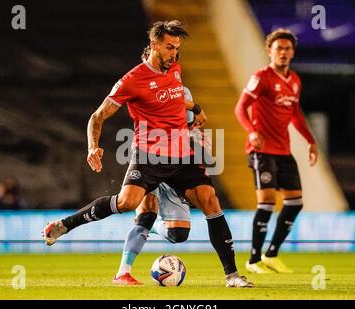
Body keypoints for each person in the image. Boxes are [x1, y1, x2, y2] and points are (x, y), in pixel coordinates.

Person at [43, 20, 253, 288]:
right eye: (169, 47)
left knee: (210, 201)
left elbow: (175, 94)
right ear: (153, 45)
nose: (174, 53)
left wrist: (196, 107)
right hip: (149, 155)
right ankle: (64, 225)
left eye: (176, 48)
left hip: (182, 156)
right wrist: (92, 146)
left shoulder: (174, 67)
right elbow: (97, 116)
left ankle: (232, 276)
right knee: (128, 203)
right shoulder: (132, 80)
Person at [235, 29, 318, 274]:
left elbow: (295, 114)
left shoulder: (294, 80)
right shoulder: (261, 77)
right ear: (269, 51)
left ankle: (271, 254)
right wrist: (251, 131)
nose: (283, 52)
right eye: (278, 48)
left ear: (292, 52)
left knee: (295, 202)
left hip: (284, 150)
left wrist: (311, 141)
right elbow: (241, 108)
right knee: (267, 202)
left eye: (287, 48)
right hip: (261, 151)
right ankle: (252, 260)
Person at [113, 87, 196, 285]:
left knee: (179, 235)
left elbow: (191, 125)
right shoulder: (145, 88)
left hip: (175, 161)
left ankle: (156, 226)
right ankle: (123, 272)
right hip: (147, 158)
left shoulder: (183, 93)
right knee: (145, 215)